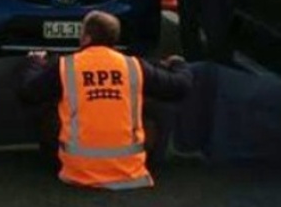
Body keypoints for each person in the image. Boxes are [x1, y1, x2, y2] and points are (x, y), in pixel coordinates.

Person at [18, 12, 193, 190]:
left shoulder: (66, 66)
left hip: (78, 171)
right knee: (148, 103)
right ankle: (152, 158)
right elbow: (179, 86)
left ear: (85, 38)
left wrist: (35, 61)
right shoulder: (134, 66)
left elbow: (28, 91)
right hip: (129, 170)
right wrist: (178, 63)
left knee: (49, 106)